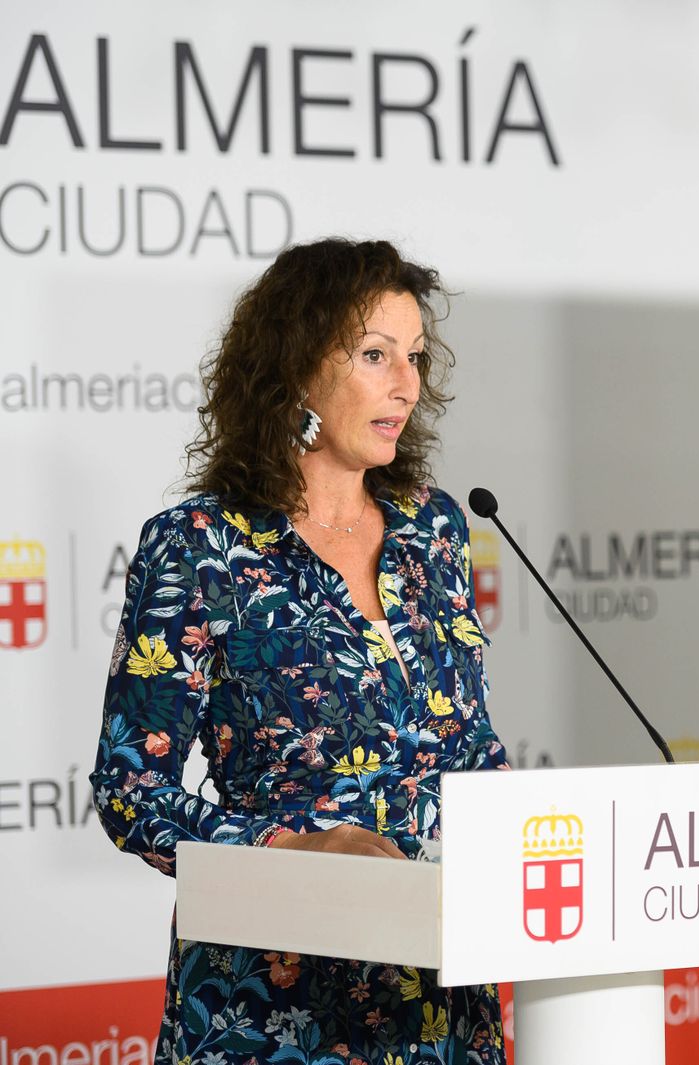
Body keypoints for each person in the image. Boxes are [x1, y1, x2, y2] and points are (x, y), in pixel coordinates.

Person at [90, 238, 510, 1062]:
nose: (405, 384)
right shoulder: (199, 549)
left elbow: (471, 751)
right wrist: (295, 847)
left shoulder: (436, 529)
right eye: (374, 354)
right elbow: (130, 792)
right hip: (272, 1010)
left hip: (437, 1005)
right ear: (295, 367)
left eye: (415, 357)